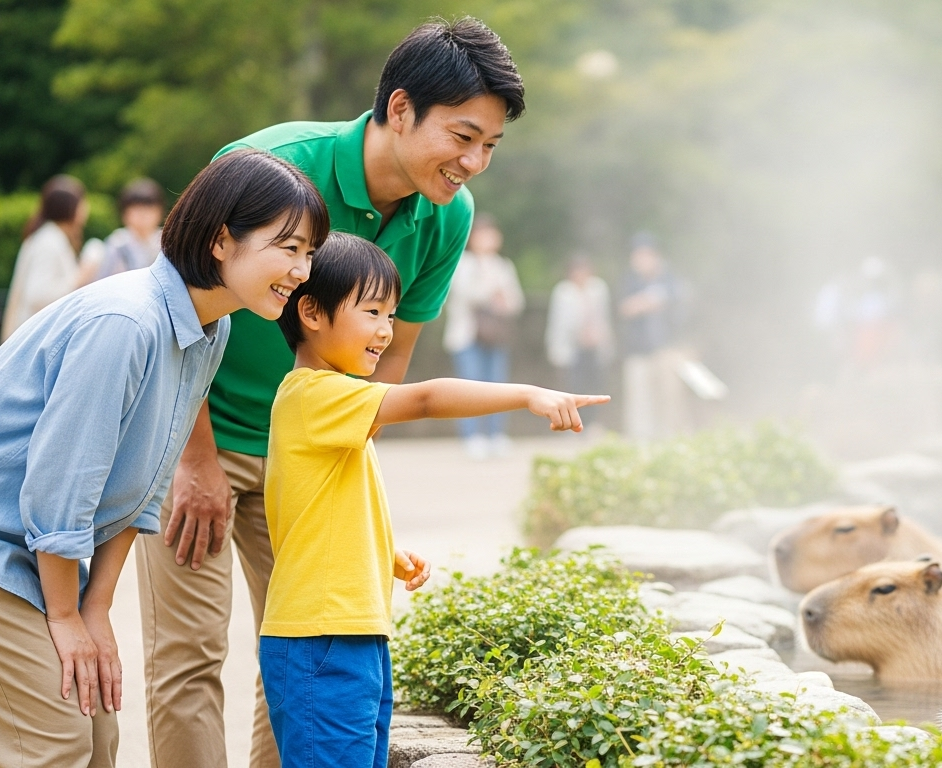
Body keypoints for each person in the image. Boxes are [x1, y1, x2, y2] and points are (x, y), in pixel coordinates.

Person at [135, 18, 526, 768]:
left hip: (307, 454)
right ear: (402, 108)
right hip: (198, 433)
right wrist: (195, 460)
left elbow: (392, 361)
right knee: (188, 656)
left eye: (490, 147)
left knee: (303, 648)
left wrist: (350, 495)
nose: (475, 162)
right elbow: (174, 319)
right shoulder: (266, 167)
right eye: (463, 136)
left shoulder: (448, 217)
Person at [0, 148, 327, 768]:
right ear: (223, 240)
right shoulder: (127, 321)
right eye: (289, 247)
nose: (303, 269)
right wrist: (66, 617)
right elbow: (60, 490)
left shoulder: (208, 327)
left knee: (97, 734)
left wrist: (95, 611)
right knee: (53, 741)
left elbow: (141, 491)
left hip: (34, 555)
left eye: (310, 252)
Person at [263, 233, 605, 767]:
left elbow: (320, 507)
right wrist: (528, 394)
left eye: (392, 316)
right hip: (321, 638)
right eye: (372, 311)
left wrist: (383, 552)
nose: (385, 331)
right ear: (310, 311)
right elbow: (424, 397)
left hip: (349, 633)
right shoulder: (314, 394)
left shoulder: (336, 403)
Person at [442, 213, 525, 457]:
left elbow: (516, 301)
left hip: (495, 334)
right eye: (481, 234)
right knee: (469, 383)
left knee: (498, 384)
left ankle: (495, 435)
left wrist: (502, 299)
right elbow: (464, 294)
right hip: (467, 335)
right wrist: (492, 290)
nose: (486, 239)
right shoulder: (462, 263)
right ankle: (472, 436)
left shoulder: (503, 265)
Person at [1, 175, 98, 340]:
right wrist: (79, 277)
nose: (85, 208)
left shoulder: (49, 236)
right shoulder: (50, 241)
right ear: (69, 207)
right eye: (82, 202)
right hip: (32, 337)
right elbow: (38, 295)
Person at [618, 232, 689, 440]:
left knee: (669, 398)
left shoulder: (671, 279)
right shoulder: (629, 281)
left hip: (667, 349)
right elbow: (624, 308)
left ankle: (670, 438)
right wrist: (643, 302)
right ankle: (641, 441)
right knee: (639, 401)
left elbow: (683, 308)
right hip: (637, 350)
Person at [546, 253, 615, 427]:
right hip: (571, 348)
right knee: (572, 386)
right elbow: (559, 323)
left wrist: (602, 339)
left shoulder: (598, 288)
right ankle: (571, 423)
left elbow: (603, 318)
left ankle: (593, 423)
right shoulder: (563, 292)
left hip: (594, 347)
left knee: (595, 385)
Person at [84, 178, 165, 283]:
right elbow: (104, 279)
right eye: (136, 210)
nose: (142, 215)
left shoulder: (165, 241)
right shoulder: (117, 242)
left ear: (160, 212)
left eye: (148, 209)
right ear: (124, 214)